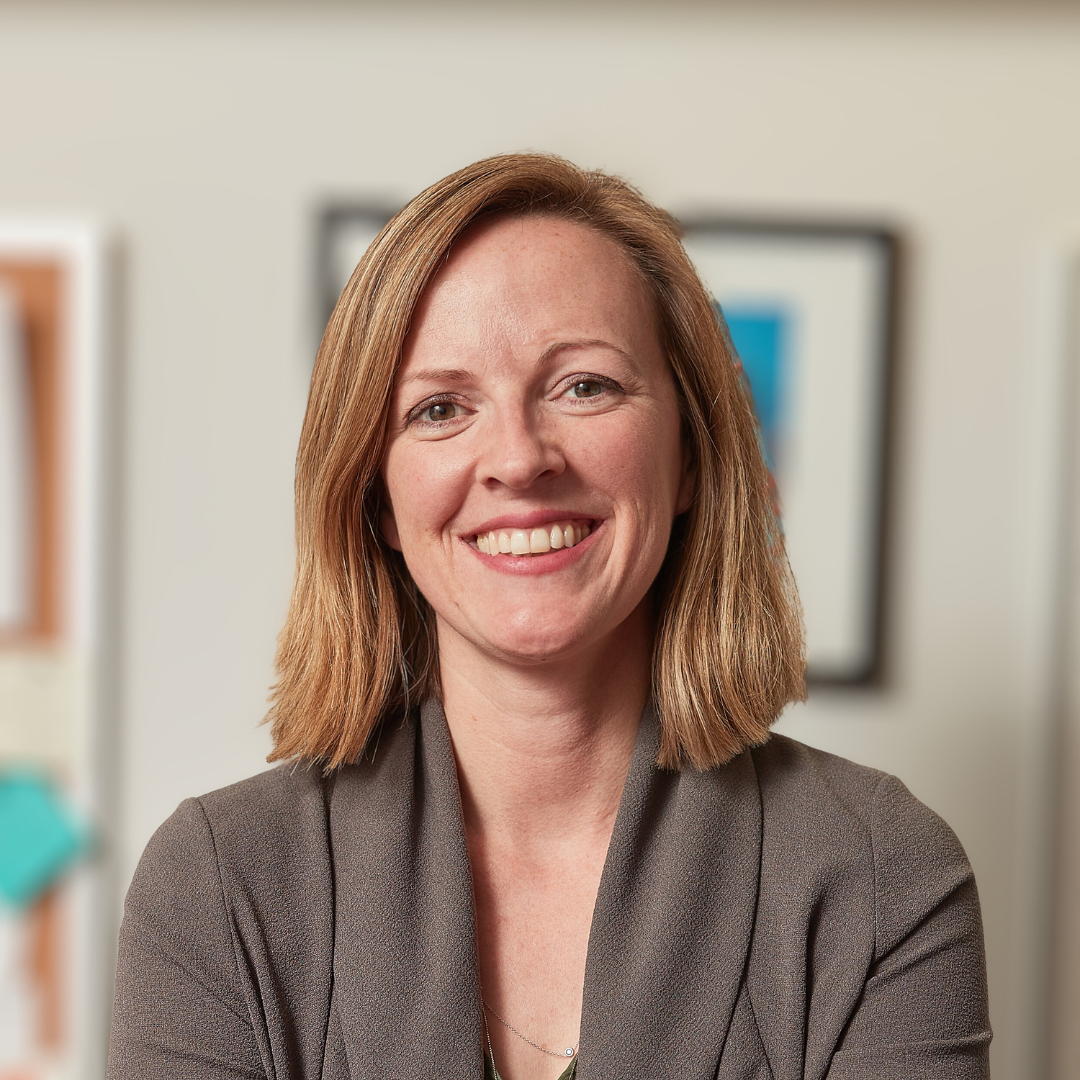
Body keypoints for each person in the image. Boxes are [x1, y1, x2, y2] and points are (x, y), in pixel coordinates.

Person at [106, 154, 991, 1080]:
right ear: (376, 500)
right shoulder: (219, 885)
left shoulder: (881, 875)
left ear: (690, 455)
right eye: (441, 408)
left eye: (586, 386)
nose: (519, 459)